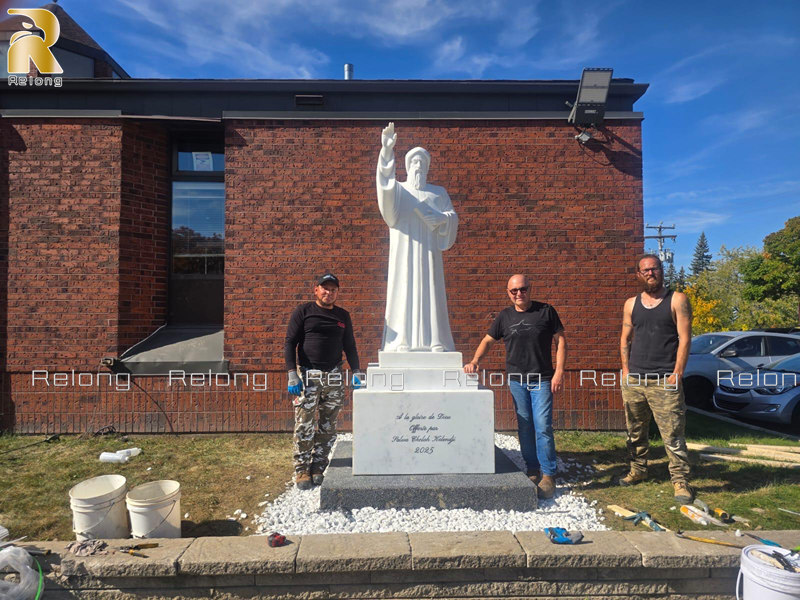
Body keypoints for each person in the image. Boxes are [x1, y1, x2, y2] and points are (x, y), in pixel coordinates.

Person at [464, 274, 566, 499]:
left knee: (542, 426)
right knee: (525, 426)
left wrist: (559, 372)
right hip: (517, 381)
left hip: (542, 379)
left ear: (530, 289)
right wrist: (475, 361)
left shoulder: (546, 311)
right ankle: (532, 469)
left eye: (523, 289)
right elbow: (488, 340)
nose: (519, 294)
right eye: (514, 291)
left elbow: (561, 341)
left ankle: (548, 474)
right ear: (508, 293)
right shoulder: (505, 316)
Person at [376, 122, 457, 352]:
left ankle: (436, 341)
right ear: (407, 166)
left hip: (429, 254)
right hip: (405, 253)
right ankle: (402, 341)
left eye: (422, 162)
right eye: (414, 161)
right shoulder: (400, 191)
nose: (418, 165)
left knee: (431, 292)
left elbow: (452, 216)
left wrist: (441, 219)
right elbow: (385, 188)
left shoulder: (438, 192)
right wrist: (387, 152)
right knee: (404, 290)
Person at [619, 254, 694, 504]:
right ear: (638, 275)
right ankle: (637, 470)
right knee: (635, 431)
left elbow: (685, 338)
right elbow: (624, 339)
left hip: (665, 379)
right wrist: (626, 371)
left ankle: (680, 481)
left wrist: (677, 373)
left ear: (661, 271)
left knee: (672, 433)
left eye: (654, 269)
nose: (650, 273)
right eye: (645, 270)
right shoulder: (631, 304)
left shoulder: (678, 300)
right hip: (635, 380)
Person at [284, 273, 361, 490]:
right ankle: (301, 470)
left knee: (328, 424)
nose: (329, 292)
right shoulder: (304, 312)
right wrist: (292, 372)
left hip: (334, 375)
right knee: (304, 424)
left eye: (333, 289)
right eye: (324, 288)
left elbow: (351, 346)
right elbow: (290, 342)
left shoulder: (343, 316)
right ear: (316, 290)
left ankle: (318, 467)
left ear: (338, 292)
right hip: (308, 375)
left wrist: (356, 370)